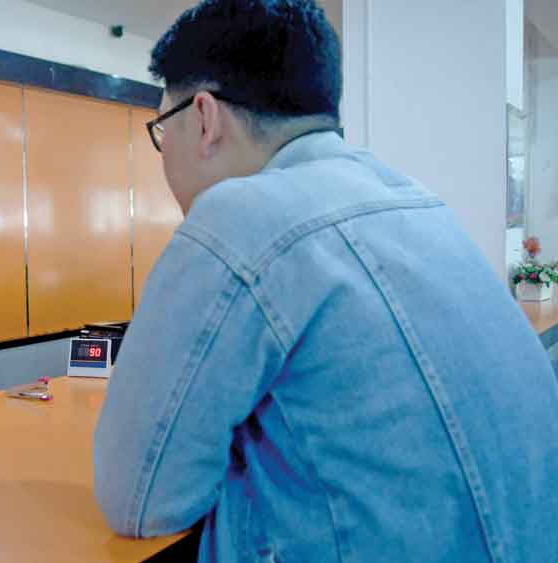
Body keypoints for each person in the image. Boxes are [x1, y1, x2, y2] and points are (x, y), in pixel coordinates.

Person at [93, 1, 558, 561]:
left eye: (161, 128)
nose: (164, 152)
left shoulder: (236, 217)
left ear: (205, 118)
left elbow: (139, 500)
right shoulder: (416, 202)